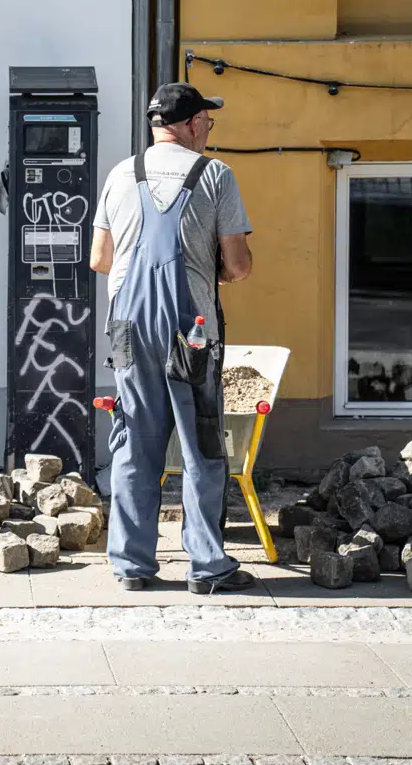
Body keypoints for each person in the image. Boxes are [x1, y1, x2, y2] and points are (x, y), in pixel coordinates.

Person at [89, 82, 255, 594]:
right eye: (206, 121)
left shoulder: (121, 173)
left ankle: (132, 566)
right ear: (191, 124)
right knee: (201, 443)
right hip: (191, 333)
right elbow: (238, 266)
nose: (208, 129)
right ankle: (207, 567)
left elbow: (99, 259)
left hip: (126, 329)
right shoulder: (214, 174)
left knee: (133, 441)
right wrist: (211, 270)